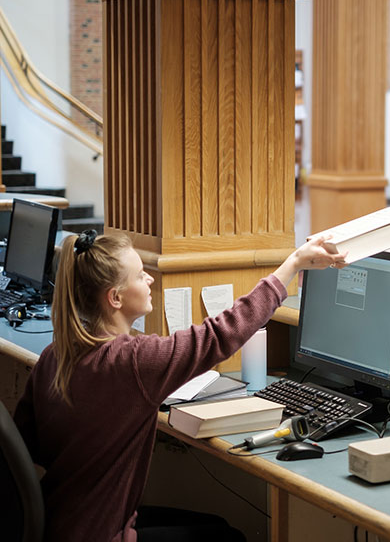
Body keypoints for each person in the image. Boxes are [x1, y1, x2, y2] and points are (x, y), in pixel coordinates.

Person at [13, 230, 347, 542]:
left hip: (57, 523)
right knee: (226, 536)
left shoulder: (55, 354)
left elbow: (29, 445)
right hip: (102, 532)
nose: (150, 278)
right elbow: (221, 334)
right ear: (115, 297)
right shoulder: (132, 362)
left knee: (213, 529)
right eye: (140, 274)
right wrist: (292, 265)